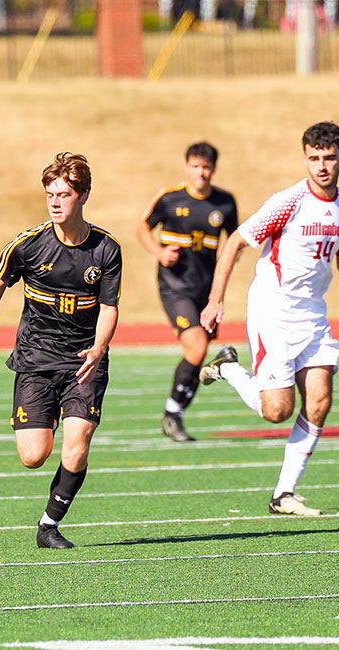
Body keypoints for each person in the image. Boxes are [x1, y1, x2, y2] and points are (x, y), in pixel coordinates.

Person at [0, 152, 122, 549]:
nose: (55, 202)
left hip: (83, 362)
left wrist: (100, 347)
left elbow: (108, 307)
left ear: (84, 195)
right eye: (50, 193)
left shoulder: (105, 250)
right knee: (33, 456)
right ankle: (49, 418)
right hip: (35, 359)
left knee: (78, 442)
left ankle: (49, 525)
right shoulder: (28, 246)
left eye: (64, 194)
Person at [199, 121, 339, 516]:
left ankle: (283, 493)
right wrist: (215, 300)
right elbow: (236, 241)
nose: (322, 166)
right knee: (277, 411)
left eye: (329, 158)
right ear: (305, 158)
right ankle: (229, 369)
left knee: (319, 401)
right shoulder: (288, 202)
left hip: (312, 316)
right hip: (272, 311)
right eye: (314, 158)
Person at [136, 142, 238, 442]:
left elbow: (234, 242)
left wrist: (221, 282)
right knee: (195, 346)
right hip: (174, 287)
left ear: (214, 169)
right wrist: (159, 252)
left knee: (199, 350)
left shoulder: (225, 202)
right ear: (187, 167)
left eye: (206, 167)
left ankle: (175, 414)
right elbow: (143, 227)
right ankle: (171, 414)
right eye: (195, 166)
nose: (201, 173)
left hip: (206, 291)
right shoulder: (170, 199)